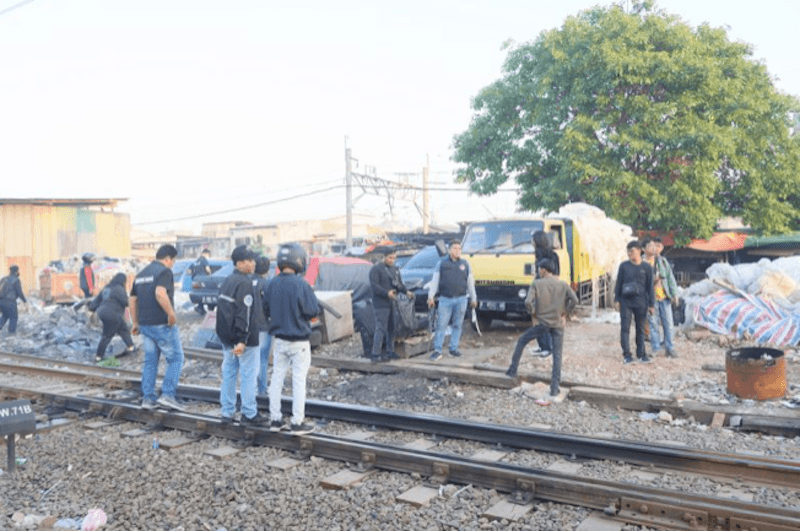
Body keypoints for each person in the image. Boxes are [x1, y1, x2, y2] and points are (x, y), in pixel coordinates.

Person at [263, 243, 319, 435]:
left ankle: (275, 419)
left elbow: (266, 310)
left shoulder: (271, 284)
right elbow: (312, 310)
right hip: (299, 341)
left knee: (277, 378)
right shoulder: (302, 285)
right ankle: (297, 422)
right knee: (298, 380)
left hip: (279, 341)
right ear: (299, 261)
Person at [505, 259, 578, 396]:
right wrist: (565, 314)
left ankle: (512, 370)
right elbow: (574, 300)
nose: (538, 271)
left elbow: (527, 302)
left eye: (539, 269)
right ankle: (554, 389)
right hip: (558, 324)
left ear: (543, 270)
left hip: (542, 324)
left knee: (522, 341)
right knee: (557, 355)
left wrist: (533, 313)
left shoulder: (537, 284)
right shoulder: (562, 284)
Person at [130, 244, 185, 411]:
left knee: (150, 361)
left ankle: (148, 398)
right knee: (176, 358)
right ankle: (168, 395)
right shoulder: (164, 271)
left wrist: (135, 322)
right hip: (161, 324)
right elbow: (160, 293)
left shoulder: (141, 274)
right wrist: (171, 313)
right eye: (173, 261)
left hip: (145, 325)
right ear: (167, 259)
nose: (173, 265)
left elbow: (132, 300)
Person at [216, 246, 266, 426]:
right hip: (243, 340)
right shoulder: (245, 283)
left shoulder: (227, 281)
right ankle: (249, 413)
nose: (253, 263)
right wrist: (242, 339)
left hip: (227, 337)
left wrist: (227, 338)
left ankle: (227, 412)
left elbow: (221, 311)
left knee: (229, 373)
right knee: (248, 375)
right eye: (250, 260)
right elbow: (244, 313)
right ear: (241, 263)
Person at [428, 240, 477, 361]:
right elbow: (434, 281)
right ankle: (437, 350)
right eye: (455, 248)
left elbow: (470, 283)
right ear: (449, 250)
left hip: (461, 299)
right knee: (441, 326)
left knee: (457, 325)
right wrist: (431, 296)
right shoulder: (442, 264)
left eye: (459, 248)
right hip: (445, 300)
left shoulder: (465, 264)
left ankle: (453, 349)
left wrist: (473, 298)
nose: (458, 250)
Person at [369, 248, 413, 362]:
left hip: (393, 302)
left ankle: (390, 351)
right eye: (389, 258)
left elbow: (399, 284)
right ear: (383, 257)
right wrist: (386, 293)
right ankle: (375, 354)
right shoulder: (376, 269)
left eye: (393, 258)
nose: (391, 260)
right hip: (381, 303)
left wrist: (406, 292)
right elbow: (374, 286)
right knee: (381, 328)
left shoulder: (395, 269)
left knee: (392, 328)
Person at [615, 240, 655, 365]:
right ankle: (627, 355)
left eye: (631, 251)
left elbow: (650, 287)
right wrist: (617, 300)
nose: (629, 254)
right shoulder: (624, 266)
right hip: (626, 302)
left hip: (641, 302)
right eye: (628, 251)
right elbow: (618, 283)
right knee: (625, 329)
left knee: (640, 329)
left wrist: (651, 305)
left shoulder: (647, 268)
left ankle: (641, 354)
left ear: (639, 251)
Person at [93, 272, 136, 362]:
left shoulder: (106, 288)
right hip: (113, 313)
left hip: (102, 312)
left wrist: (92, 308)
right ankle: (98, 357)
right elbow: (125, 302)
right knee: (107, 335)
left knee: (123, 330)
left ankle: (131, 348)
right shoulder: (119, 288)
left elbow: (94, 303)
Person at [531, 230, 561, 356]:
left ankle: (547, 348)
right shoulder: (542, 255)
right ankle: (542, 346)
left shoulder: (549, 257)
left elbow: (553, 276)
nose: (531, 242)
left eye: (533, 240)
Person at [648, 237, 680, 358]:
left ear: (661, 248)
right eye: (654, 246)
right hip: (651, 299)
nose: (656, 248)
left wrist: (675, 294)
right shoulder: (646, 262)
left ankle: (670, 348)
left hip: (664, 298)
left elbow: (671, 279)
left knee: (669, 324)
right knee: (653, 324)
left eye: (658, 246)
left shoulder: (663, 262)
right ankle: (655, 348)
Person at [254, 255, 273, 395]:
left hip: (249, 327)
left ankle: (251, 389)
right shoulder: (267, 285)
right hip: (264, 326)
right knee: (263, 359)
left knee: (251, 360)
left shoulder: (246, 282)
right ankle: (262, 390)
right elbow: (271, 307)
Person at [0, 265, 27, 334]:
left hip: (1, 301)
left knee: (5, 315)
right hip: (10, 302)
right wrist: (24, 301)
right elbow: (19, 292)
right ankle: (11, 334)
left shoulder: (3, 279)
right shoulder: (16, 280)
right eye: (18, 271)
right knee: (13, 317)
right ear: (16, 271)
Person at [191, 249, 212, 315]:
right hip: (203, 279)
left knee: (200, 293)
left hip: (196, 280)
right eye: (208, 254)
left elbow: (190, 270)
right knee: (204, 293)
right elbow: (208, 270)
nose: (208, 256)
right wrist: (210, 275)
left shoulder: (196, 261)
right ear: (205, 253)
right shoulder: (204, 260)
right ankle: (201, 308)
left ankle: (200, 307)